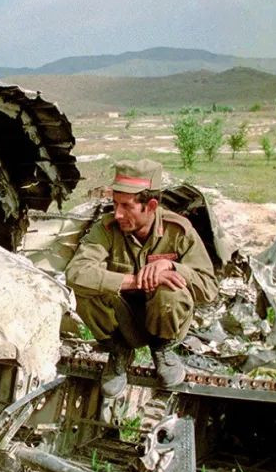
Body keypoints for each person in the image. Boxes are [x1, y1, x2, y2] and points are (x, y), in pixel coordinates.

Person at [65, 160, 217, 398]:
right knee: (86, 291)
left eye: (127, 206)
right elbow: (76, 273)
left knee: (171, 290)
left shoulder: (178, 231)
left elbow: (209, 288)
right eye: (115, 204)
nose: (118, 214)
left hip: (163, 321)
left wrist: (173, 267)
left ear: (151, 205)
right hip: (124, 323)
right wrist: (135, 280)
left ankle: (163, 350)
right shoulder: (106, 229)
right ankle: (119, 352)